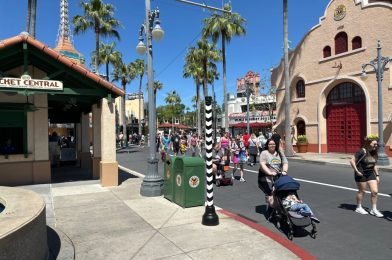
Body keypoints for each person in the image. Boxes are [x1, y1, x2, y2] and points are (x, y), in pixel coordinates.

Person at [349, 135, 383, 217]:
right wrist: (356, 171)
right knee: (362, 191)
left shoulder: (374, 152)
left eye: (376, 144)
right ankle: (359, 207)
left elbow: (374, 164)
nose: (376, 145)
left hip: (370, 173)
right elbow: (352, 160)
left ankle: (374, 209)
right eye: (374, 144)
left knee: (375, 191)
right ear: (368, 143)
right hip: (361, 173)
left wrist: (377, 175)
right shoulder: (362, 151)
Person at [258, 138, 288, 208]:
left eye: (273, 144)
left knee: (279, 192)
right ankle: (271, 208)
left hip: (277, 176)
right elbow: (262, 164)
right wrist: (270, 172)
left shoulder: (279, 153)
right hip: (266, 176)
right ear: (267, 145)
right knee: (270, 193)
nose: (272, 145)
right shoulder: (264, 153)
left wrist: (284, 171)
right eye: (270, 144)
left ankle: (276, 207)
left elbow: (285, 163)